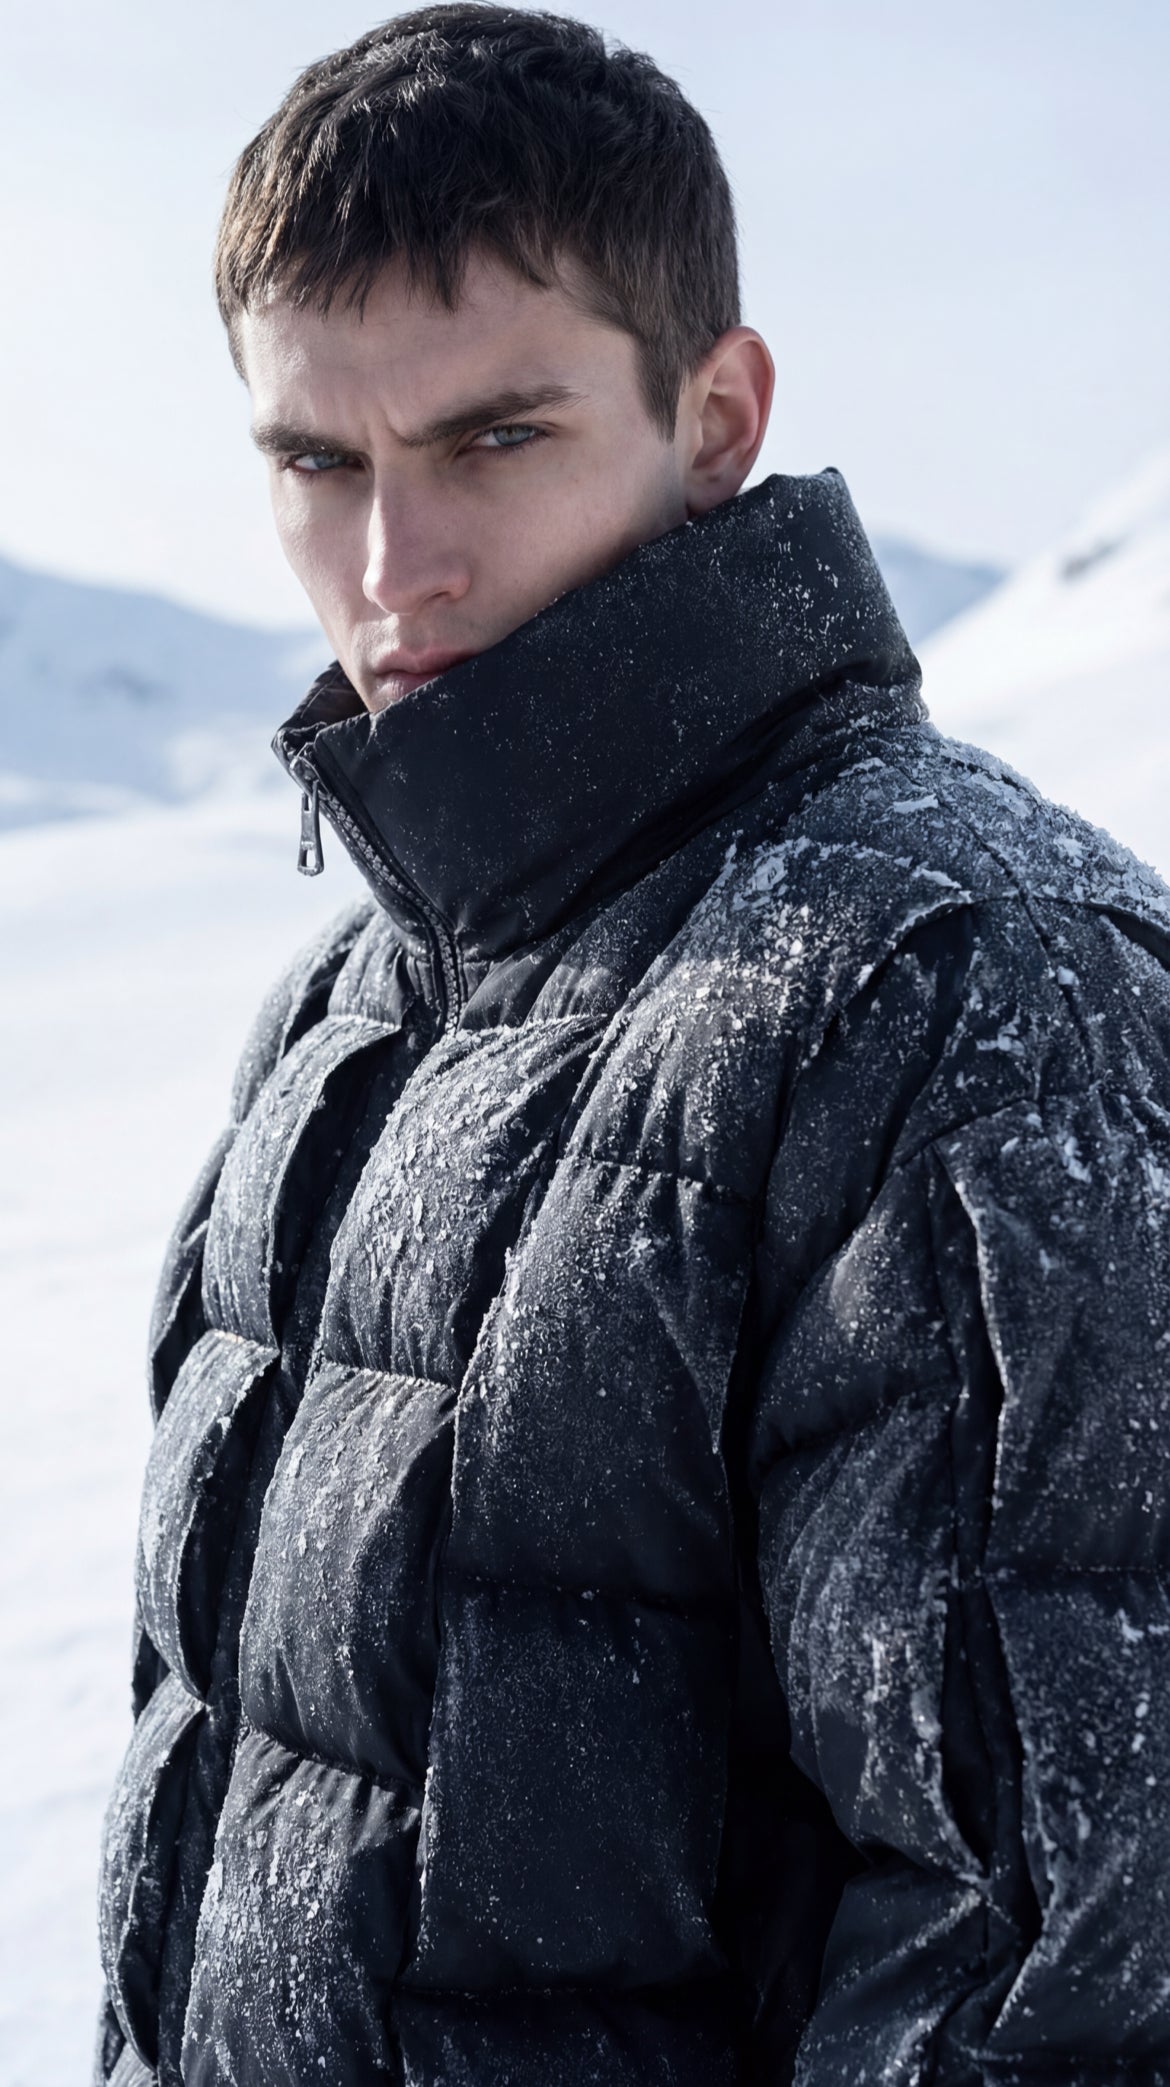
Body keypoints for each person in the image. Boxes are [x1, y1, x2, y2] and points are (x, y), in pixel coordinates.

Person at [95, 8, 1170, 2084]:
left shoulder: (967, 988)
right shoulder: (350, 1005)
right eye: (318, 463)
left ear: (716, 414)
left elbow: (1049, 1975)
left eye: (495, 438)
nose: (392, 572)